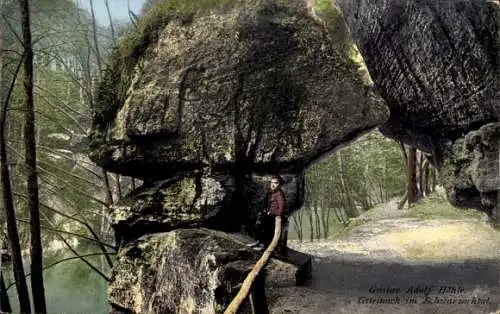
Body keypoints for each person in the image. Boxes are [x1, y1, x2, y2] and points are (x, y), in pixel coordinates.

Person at [247, 175, 288, 254]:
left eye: (275, 183)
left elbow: (281, 210)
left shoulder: (279, 194)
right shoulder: (273, 193)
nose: (272, 185)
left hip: (275, 217)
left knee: (266, 225)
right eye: (271, 183)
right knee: (260, 222)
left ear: (280, 185)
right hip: (271, 216)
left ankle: (263, 245)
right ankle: (259, 242)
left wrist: (271, 212)